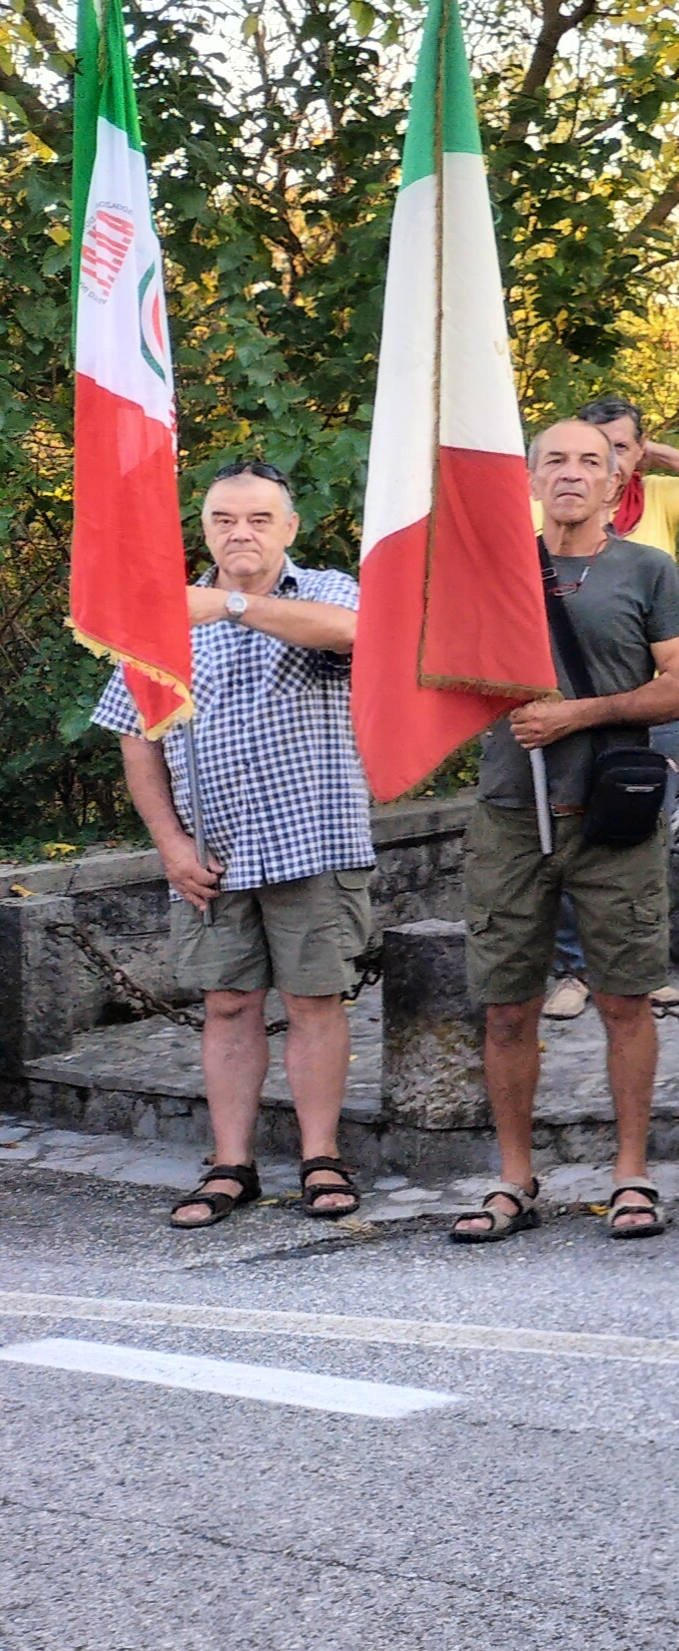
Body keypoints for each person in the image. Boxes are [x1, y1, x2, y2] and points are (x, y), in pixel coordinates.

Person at [92, 459, 371, 1228]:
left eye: (257, 518)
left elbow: (352, 636)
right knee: (226, 1005)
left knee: (315, 1001)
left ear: (289, 526)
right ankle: (231, 1165)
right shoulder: (161, 610)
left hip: (314, 838)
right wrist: (170, 844)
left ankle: (321, 1159)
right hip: (211, 851)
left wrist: (231, 603)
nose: (239, 532)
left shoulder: (328, 588)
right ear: (204, 526)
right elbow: (137, 738)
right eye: (223, 519)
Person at [450, 417, 679, 1246]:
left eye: (589, 462)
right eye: (554, 460)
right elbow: (436, 671)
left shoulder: (645, 569)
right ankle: (514, 1179)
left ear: (613, 481)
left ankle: (630, 1175)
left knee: (625, 1001)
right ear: (530, 477)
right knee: (506, 1008)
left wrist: (578, 715)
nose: (571, 474)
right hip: (510, 816)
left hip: (610, 818)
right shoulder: (491, 572)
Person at [538, 394, 679, 1021]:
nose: (602, 465)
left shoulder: (654, 500)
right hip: (562, 706)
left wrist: (647, 454)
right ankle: (574, 970)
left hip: (650, 700)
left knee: (640, 830)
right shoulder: (547, 508)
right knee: (567, 840)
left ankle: (638, 965)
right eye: (583, 451)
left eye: (617, 449)